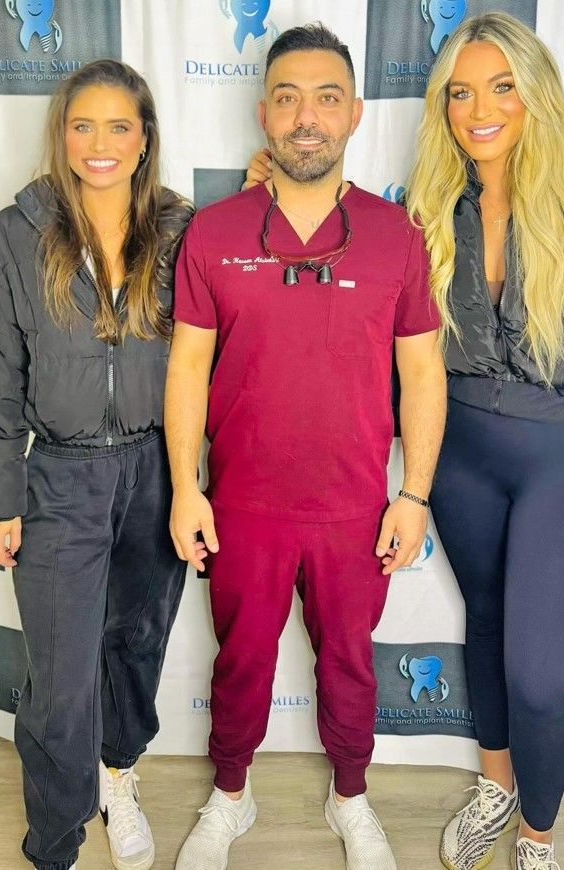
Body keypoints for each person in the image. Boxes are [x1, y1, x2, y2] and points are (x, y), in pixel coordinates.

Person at [165, 22, 446, 870]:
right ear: (263, 115)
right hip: (242, 506)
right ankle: (231, 798)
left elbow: (423, 374)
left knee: (351, 668)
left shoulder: (396, 235)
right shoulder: (215, 232)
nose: (306, 117)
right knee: (241, 664)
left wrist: (414, 493)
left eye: (326, 98)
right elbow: (185, 367)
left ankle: (350, 797)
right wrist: (187, 487)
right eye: (287, 99)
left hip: (355, 510)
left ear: (355, 113)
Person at [0, 60, 193, 870]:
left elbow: (230, 333)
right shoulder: (10, 240)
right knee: (58, 679)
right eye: (82, 125)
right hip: (59, 477)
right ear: (62, 135)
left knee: (136, 647)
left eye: (118, 126)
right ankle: (54, 840)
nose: (99, 143)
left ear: (144, 138)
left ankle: (118, 780)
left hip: (158, 473)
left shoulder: (181, 233)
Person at [404, 14, 564, 870]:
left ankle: (537, 840)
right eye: (460, 92)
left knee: (539, 676)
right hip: (458, 454)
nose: (479, 109)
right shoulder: (433, 199)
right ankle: (496, 786)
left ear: (536, 93)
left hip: (556, 460)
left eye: (501, 87)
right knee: (489, 627)